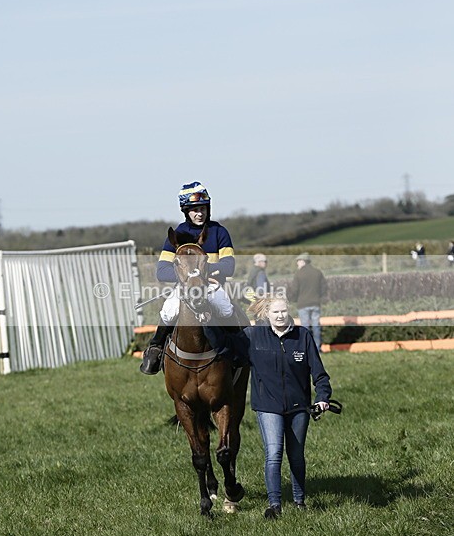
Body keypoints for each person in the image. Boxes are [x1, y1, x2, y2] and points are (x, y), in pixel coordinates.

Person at [203, 294, 332, 518]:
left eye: (284, 311)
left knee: (297, 455)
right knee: (273, 454)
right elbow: (225, 347)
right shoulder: (253, 336)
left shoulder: (303, 336)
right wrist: (208, 325)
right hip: (268, 407)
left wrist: (323, 397)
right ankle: (275, 505)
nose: (281, 316)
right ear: (266, 315)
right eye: (276, 312)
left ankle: (300, 501)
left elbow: (319, 373)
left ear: (289, 311)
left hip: (298, 406)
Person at [140, 181, 236, 375]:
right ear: (186, 211)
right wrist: (187, 276)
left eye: (202, 209)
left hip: (211, 287)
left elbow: (229, 266)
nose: (199, 213)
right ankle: (155, 349)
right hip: (184, 288)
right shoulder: (176, 235)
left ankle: (239, 349)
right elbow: (162, 271)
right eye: (194, 210)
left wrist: (203, 272)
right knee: (169, 310)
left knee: (226, 309)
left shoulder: (220, 232)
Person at [288, 253, 327, 351]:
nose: (297, 264)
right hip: (316, 303)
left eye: (298, 261)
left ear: (303, 261)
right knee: (316, 326)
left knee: (305, 327)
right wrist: (320, 297)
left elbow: (294, 290)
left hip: (303, 304)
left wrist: (292, 299)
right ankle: (317, 347)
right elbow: (324, 287)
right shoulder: (317, 272)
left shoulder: (298, 274)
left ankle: (307, 348)